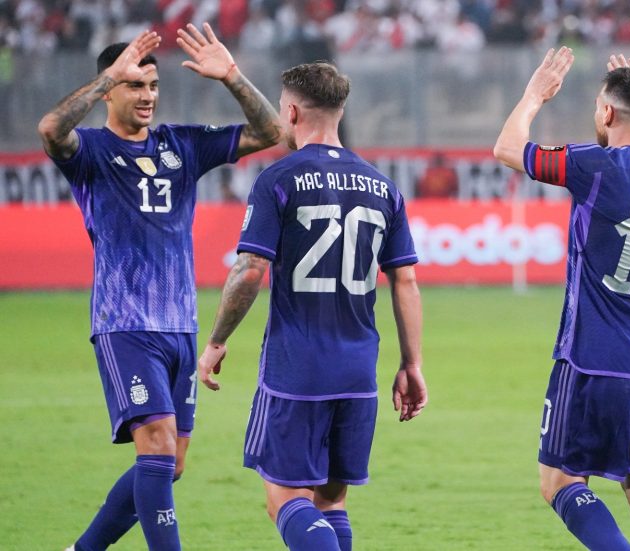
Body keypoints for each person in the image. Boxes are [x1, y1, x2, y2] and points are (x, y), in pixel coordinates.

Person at [38, 24, 282, 551]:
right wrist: (107, 76)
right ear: (111, 90)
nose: (148, 96)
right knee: (157, 447)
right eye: (135, 86)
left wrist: (233, 76)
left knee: (170, 465)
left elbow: (271, 133)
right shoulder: (91, 152)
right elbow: (52, 128)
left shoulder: (182, 145)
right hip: (125, 323)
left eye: (152, 87)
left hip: (180, 325)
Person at [197, 61, 428, 551]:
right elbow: (404, 279)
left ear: (293, 112)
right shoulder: (383, 186)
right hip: (358, 370)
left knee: (284, 500)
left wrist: (217, 339)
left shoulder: (278, 178)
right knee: (331, 501)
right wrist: (412, 363)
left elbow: (250, 270)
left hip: (296, 369)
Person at [493, 49, 630, 551]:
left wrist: (535, 95)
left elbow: (508, 148)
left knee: (561, 483)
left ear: (607, 113)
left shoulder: (595, 167)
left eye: (599, 106)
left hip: (594, 362)